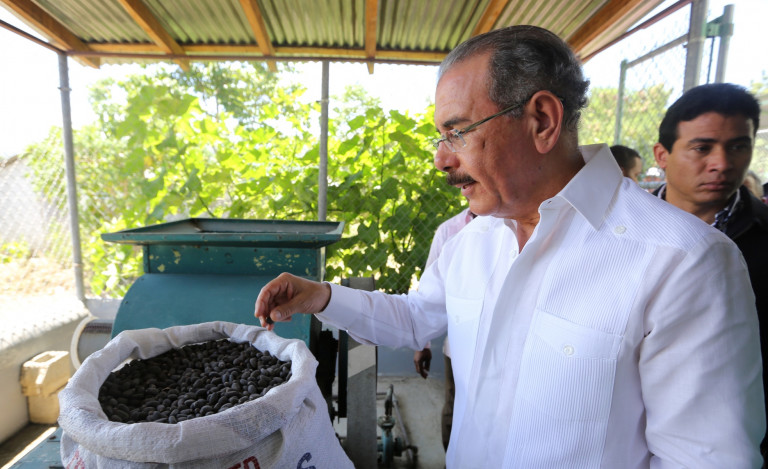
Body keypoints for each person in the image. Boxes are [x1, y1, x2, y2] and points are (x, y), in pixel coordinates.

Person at [256, 26, 764, 467]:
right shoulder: (474, 239)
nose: (440, 159)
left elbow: (704, 457)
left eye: (457, 132)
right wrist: (321, 297)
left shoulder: (682, 261)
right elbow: (417, 318)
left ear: (542, 120)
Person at [652, 82, 768, 461]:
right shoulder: (616, 230)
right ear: (662, 155)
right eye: (702, 148)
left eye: (738, 146)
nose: (722, 163)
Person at [412, 206, 474, 451]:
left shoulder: (518, 224)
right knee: (455, 404)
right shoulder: (449, 231)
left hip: (505, 348)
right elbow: (429, 297)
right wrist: (422, 343)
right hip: (459, 346)